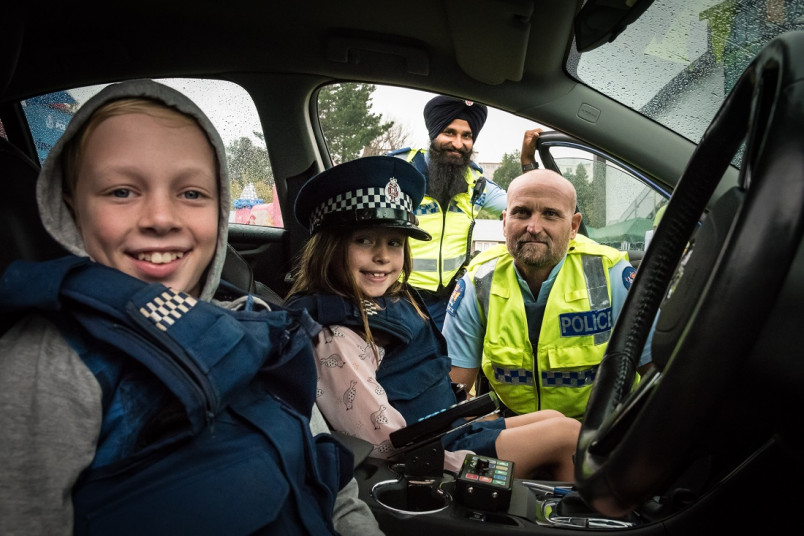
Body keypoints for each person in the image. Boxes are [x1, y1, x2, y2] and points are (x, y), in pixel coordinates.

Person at [0, 79, 381, 535]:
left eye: (192, 193)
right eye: (121, 191)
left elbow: (332, 487)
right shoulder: (50, 362)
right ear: (72, 208)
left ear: (221, 211)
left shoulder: (255, 322)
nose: (161, 218)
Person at [285, 156, 580, 481]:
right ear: (330, 246)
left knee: (556, 420)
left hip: (441, 431)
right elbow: (381, 446)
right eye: (365, 240)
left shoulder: (389, 301)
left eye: (394, 242)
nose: (383, 256)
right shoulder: (333, 333)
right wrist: (474, 469)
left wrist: (461, 419)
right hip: (425, 459)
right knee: (565, 440)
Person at [444, 169, 652, 420]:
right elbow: (454, 391)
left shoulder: (611, 273)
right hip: (513, 427)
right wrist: (492, 429)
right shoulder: (478, 281)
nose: (533, 227)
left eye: (550, 214)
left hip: (602, 428)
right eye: (521, 213)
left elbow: (657, 376)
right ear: (504, 221)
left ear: (573, 226)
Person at [388, 95, 507, 329]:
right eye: (449, 133)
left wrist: (528, 165)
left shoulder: (477, 185)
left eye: (467, 136)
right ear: (434, 134)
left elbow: (522, 205)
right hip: (398, 298)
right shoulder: (397, 172)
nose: (458, 143)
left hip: (451, 302)